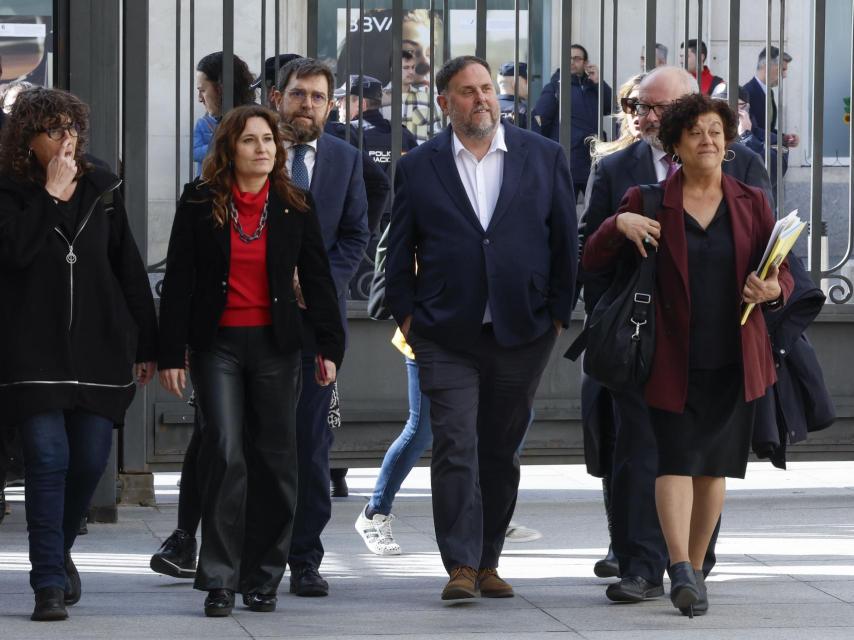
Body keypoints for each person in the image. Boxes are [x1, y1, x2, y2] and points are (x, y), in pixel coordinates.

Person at [582, 93, 792, 616]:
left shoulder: (751, 201)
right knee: (673, 457)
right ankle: (678, 565)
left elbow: (780, 268)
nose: (709, 140)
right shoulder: (647, 198)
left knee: (713, 466)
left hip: (732, 350)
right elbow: (591, 257)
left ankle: (694, 573)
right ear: (675, 143)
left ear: (728, 142)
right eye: (696, 131)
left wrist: (775, 289)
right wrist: (617, 226)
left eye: (717, 131)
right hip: (668, 351)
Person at [386, 55, 577, 600]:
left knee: (500, 449)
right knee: (454, 443)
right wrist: (409, 318)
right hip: (445, 332)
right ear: (444, 103)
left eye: (487, 88)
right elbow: (398, 253)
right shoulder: (420, 165)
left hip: (523, 331)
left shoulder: (542, 156)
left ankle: (489, 558)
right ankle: (460, 566)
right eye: (467, 92)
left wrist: (558, 315)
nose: (482, 99)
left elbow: (566, 240)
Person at [157, 105, 345, 617]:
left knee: (276, 459)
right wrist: (171, 351)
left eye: (268, 140)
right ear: (229, 149)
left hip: (276, 346)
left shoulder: (294, 202)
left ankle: (263, 576)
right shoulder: (200, 201)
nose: (262, 148)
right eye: (250, 141)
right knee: (224, 451)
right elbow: (178, 279)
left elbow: (320, 278)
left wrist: (329, 347)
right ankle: (219, 578)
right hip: (216, 344)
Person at [0, 87, 157, 621]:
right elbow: (13, 254)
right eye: (54, 131)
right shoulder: (9, 191)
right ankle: (46, 581)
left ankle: (59, 549)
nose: (67, 142)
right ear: (27, 139)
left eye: (72, 130)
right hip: (31, 350)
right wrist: (47, 196)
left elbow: (128, 270)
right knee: (48, 459)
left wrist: (152, 343)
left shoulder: (101, 188)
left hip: (99, 348)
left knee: (90, 461)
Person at [272, 57, 369, 597]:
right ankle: (252, 549)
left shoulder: (345, 159)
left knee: (311, 444)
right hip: (254, 319)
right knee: (257, 439)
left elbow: (356, 232)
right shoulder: (253, 149)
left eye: (317, 97)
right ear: (277, 97)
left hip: (317, 324)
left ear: (330, 106)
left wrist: (320, 280)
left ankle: (305, 557)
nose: (306, 105)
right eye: (298, 94)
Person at [583, 71, 645, 580]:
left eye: (649, 104)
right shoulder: (612, 164)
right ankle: (620, 540)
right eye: (631, 103)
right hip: (620, 328)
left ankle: (673, 551)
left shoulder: (725, 162)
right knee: (614, 435)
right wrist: (604, 316)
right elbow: (588, 248)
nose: (639, 113)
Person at [532, 44, 612, 198]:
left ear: (585, 62)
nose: (572, 62)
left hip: (594, 158)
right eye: (568, 58)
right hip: (568, 159)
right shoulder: (555, 86)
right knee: (565, 212)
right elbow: (541, 119)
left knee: (596, 210)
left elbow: (612, 108)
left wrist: (598, 82)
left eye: (577, 58)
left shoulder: (593, 86)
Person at [193, 52, 256, 174]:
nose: (199, 98)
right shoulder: (226, 120)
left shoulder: (255, 121)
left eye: (202, 90)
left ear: (221, 88)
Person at [743, 46, 799, 151]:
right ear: (767, 65)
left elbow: (766, 128)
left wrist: (784, 137)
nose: (785, 75)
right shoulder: (747, 93)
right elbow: (752, 130)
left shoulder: (768, 92)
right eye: (782, 69)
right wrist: (781, 140)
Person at [496, 61, 528, 129]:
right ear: (515, 83)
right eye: (526, 81)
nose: (528, 85)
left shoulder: (487, 108)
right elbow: (535, 138)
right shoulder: (524, 111)